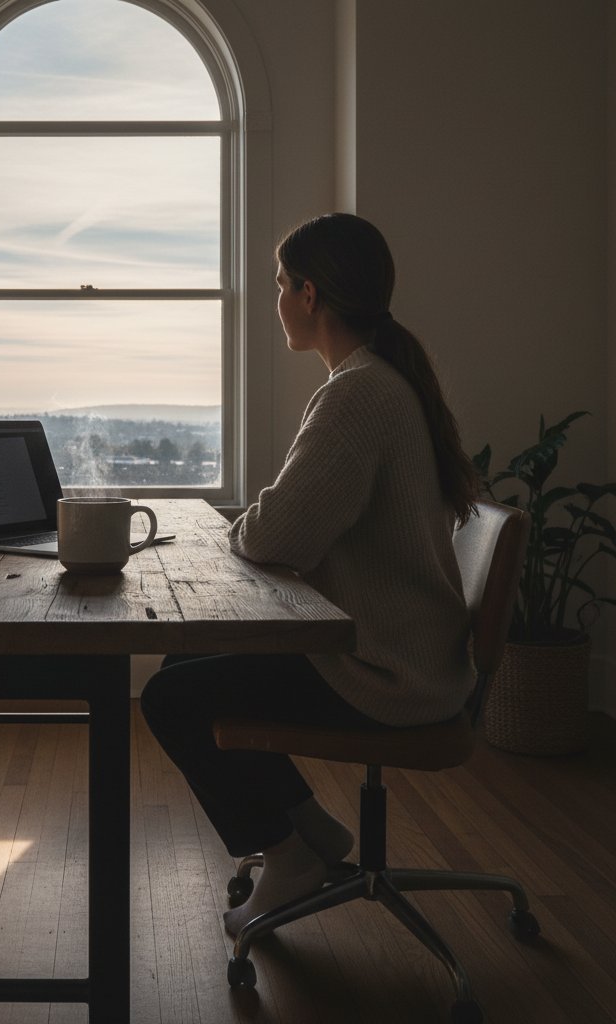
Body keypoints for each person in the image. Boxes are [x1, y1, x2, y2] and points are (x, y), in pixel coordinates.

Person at [139, 212, 479, 935]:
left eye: (279, 285)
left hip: (387, 673)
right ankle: (306, 830)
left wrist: (249, 525)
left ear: (311, 294)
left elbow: (272, 537)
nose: (277, 299)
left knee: (169, 697)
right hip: (412, 655)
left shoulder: (357, 394)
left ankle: (290, 856)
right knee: (185, 657)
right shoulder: (381, 381)